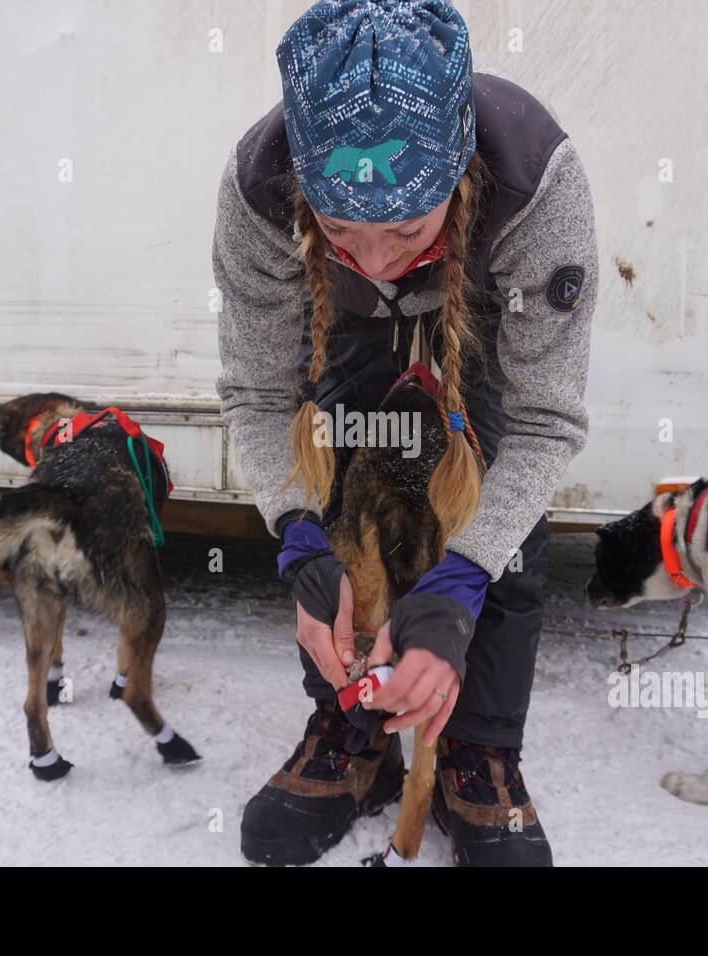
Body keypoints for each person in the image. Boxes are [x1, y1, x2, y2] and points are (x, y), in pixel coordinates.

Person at [213, 0, 597, 866]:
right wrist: (297, 536)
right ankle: (353, 726)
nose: (376, 259)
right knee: (342, 468)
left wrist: (461, 579)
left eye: (405, 229)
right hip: (337, 325)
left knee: (494, 463)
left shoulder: (537, 185)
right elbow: (258, 391)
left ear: (458, 179)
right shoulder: (259, 189)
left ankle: (480, 747)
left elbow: (548, 419)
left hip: (484, 309)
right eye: (340, 224)